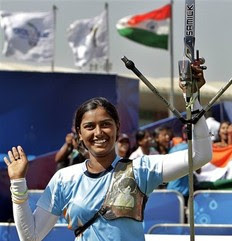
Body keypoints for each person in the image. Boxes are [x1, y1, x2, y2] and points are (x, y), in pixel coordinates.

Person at [4, 64, 212, 241]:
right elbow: (30, 237)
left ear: (117, 127)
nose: (98, 133)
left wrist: (192, 97)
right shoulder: (64, 179)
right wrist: (18, 182)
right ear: (79, 132)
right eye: (89, 126)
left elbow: (199, 155)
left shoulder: (140, 169)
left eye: (105, 124)